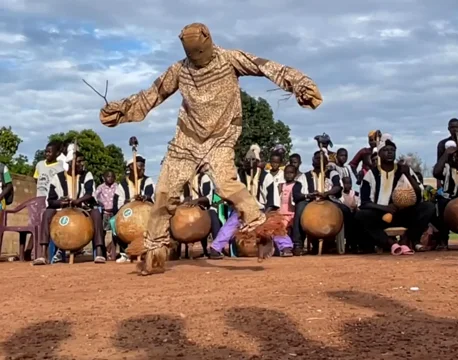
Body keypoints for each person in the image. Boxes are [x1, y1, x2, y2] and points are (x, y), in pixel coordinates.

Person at [98, 22, 322, 275]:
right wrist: (122, 111)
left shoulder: (231, 59)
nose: (198, 59)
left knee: (227, 185)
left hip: (221, 137)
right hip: (186, 141)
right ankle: (155, 254)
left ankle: (262, 232)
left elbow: (268, 67)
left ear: (208, 42)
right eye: (192, 54)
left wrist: (300, 84)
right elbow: (151, 95)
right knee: (163, 195)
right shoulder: (179, 70)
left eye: (200, 53)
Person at [356, 134, 434, 253]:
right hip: (380, 215)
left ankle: (408, 239)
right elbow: (364, 203)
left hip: (403, 213)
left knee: (428, 207)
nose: (390, 152)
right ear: (379, 154)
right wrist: (385, 208)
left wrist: (407, 175)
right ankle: (390, 244)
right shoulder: (371, 174)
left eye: (392, 150)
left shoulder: (404, 170)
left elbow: (419, 194)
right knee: (361, 216)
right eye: (386, 150)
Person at [209, 146, 292, 259]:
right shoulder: (237, 176)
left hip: (262, 210)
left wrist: (263, 216)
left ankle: (286, 247)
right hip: (242, 210)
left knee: (273, 225)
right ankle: (215, 248)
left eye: (253, 160)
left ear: (257, 162)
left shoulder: (266, 177)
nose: (249, 163)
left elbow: (272, 200)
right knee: (231, 224)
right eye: (247, 160)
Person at [32, 151, 107, 265]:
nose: (82, 164)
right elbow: (50, 200)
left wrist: (78, 201)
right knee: (47, 214)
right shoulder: (57, 178)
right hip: (62, 210)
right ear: (71, 163)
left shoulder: (87, 175)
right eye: (79, 161)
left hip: (82, 209)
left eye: (83, 161)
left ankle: (100, 252)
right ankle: (42, 254)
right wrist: (61, 202)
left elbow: (89, 193)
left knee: (96, 213)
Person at [291, 150, 344, 255]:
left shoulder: (332, 174)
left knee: (345, 211)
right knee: (300, 207)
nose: (319, 160)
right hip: (310, 202)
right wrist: (308, 195)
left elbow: (338, 187)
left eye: (322, 158)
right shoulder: (304, 177)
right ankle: (298, 244)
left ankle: (349, 243)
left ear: (326, 161)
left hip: (329, 200)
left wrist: (327, 193)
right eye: (317, 158)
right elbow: (296, 194)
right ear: (312, 161)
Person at [111, 155, 155, 263]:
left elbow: (150, 194)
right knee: (113, 222)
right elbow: (116, 205)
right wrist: (127, 203)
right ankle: (124, 252)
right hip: (127, 215)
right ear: (131, 168)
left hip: (144, 213)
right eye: (140, 166)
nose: (142, 169)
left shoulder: (147, 180)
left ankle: (149, 250)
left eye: (143, 167)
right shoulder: (122, 185)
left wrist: (144, 197)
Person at [177, 164, 220, 258]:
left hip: (206, 206)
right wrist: (186, 200)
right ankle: (176, 252)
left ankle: (215, 250)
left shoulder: (204, 178)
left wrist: (196, 201)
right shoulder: (185, 180)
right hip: (190, 208)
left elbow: (207, 197)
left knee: (213, 216)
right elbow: (184, 196)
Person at [95, 170, 117, 256]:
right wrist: (99, 203)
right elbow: (94, 196)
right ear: (104, 178)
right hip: (104, 213)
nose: (110, 178)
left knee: (115, 233)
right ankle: (103, 253)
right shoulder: (101, 187)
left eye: (112, 176)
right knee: (103, 232)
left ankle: (113, 253)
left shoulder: (117, 187)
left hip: (114, 213)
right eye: (108, 176)